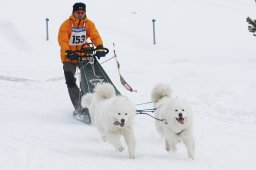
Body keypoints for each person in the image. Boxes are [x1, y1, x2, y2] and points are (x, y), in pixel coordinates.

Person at [58, 2, 107, 124]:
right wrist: (68, 51)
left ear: (85, 12)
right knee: (70, 79)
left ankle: (96, 104)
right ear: (73, 12)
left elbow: (95, 36)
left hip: (84, 56)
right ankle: (79, 108)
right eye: (78, 12)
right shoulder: (66, 25)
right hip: (69, 57)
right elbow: (62, 40)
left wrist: (100, 47)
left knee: (90, 79)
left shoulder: (88, 24)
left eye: (82, 12)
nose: (80, 14)